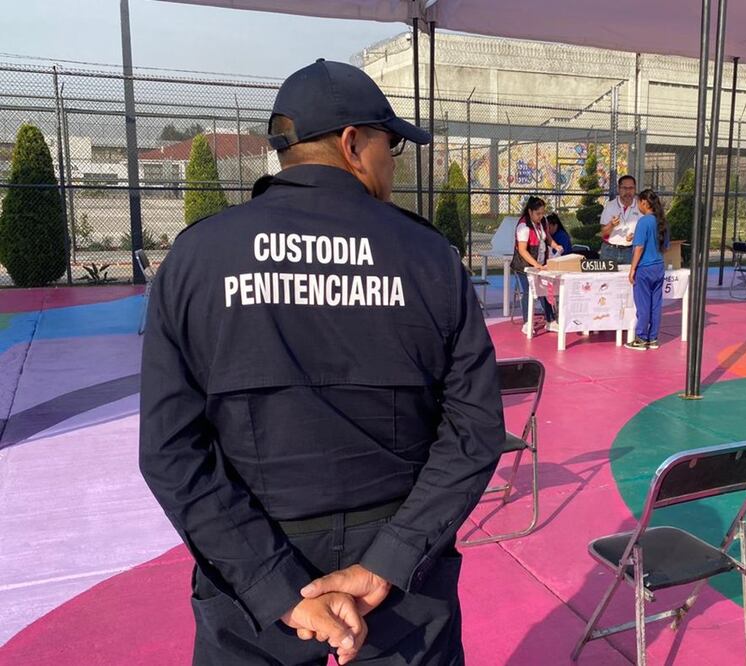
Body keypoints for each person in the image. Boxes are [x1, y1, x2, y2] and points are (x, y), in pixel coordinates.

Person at [139, 60, 505, 666]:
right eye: (391, 145)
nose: (395, 163)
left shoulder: (199, 257)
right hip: (399, 568)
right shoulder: (428, 256)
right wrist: (390, 560)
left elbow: (171, 450)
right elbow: (474, 429)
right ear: (352, 144)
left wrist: (273, 587)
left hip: (250, 562)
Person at [626, 189, 669, 351]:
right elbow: (664, 247)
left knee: (643, 304)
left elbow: (639, 246)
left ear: (644, 202)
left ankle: (642, 338)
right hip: (658, 266)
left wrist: (632, 269)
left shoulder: (644, 221)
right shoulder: (662, 222)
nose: (637, 205)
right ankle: (653, 338)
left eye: (638, 202)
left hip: (644, 268)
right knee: (655, 304)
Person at [511, 196, 562, 334]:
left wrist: (555, 245)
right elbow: (522, 250)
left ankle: (550, 321)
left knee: (545, 291)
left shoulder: (543, 222)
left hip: (540, 263)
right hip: (523, 266)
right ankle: (527, 323)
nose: (541, 216)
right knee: (528, 292)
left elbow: (547, 238)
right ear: (530, 212)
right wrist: (536, 265)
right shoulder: (523, 226)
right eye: (538, 213)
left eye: (542, 213)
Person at [598, 175, 643, 264]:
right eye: (624, 188)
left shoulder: (640, 207)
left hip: (631, 251)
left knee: (630, 277)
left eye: (631, 188)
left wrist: (636, 236)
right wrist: (611, 224)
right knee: (605, 277)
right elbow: (603, 233)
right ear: (619, 189)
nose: (628, 191)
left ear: (635, 189)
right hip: (609, 251)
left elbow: (645, 232)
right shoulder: (610, 206)